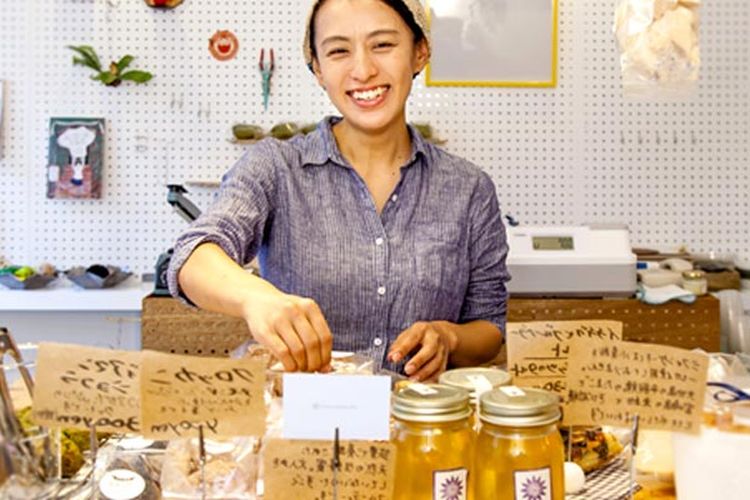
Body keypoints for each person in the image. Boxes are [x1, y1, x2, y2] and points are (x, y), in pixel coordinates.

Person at [167, 0, 510, 382]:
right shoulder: (277, 168)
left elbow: (489, 328)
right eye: (338, 51)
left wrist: (448, 336)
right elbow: (192, 258)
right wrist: (255, 297)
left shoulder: (469, 189)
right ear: (318, 69)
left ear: (420, 52)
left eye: (382, 45)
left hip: (422, 428)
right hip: (302, 429)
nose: (363, 70)